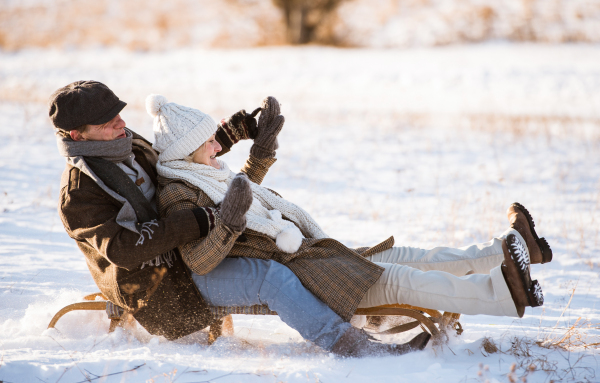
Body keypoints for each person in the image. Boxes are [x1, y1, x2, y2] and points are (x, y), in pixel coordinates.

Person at [50, 80, 428, 357]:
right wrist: (204, 219)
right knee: (274, 276)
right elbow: (123, 249)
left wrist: (235, 131)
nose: (119, 122)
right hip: (160, 285)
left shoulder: (129, 145)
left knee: (291, 254)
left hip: (193, 253)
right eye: (105, 121)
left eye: (117, 113)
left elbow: (181, 161)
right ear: (76, 134)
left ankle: (370, 317)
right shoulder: (80, 193)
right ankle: (352, 346)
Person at [151, 94, 551, 353]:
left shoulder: (202, 173)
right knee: (396, 279)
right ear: (186, 152)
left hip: (304, 250)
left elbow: (241, 194)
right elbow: (200, 259)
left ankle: (506, 252)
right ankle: (504, 291)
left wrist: (263, 151)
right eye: (207, 142)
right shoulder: (177, 194)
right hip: (294, 263)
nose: (217, 145)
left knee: (404, 256)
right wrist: (228, 223)